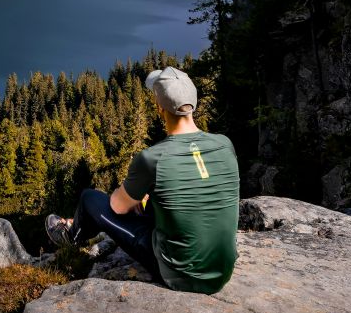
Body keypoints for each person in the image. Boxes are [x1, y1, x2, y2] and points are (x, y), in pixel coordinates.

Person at [45, 67, 239, 294]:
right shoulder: (224, 144)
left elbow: (117, 206)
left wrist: (135, 194)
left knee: (90, 198)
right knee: (149, 204)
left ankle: (70, 235)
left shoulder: (153, 158)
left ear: (159, 108)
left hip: (181, 274)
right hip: (222, 269)